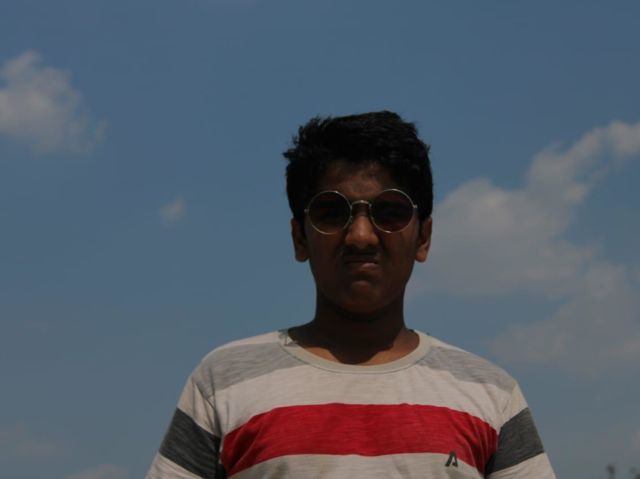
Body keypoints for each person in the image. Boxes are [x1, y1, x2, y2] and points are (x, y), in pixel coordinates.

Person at [146, 111, 556, 478]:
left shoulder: (490, 394)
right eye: (332, 213)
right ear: (299, 237)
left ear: (423, 238)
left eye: (390, 213)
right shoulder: (223, 381)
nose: (361, 236)